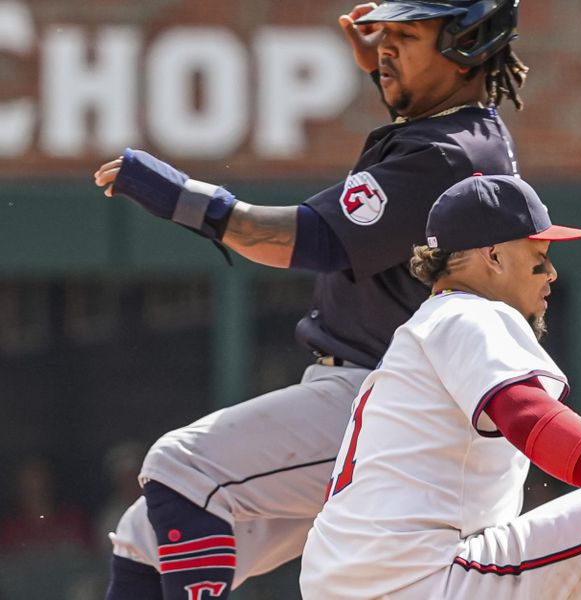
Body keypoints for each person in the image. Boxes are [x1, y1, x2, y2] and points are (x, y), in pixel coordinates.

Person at [92, 1, 529, 598]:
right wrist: (384, 69)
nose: (385, 47)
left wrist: (183, 199)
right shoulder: (456, 135)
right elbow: (428, 124)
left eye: (408, 35)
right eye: (386, 34)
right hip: (379, 402)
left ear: (468, 45)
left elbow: (308, 238)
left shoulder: (448, 155)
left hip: (398, 408)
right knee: (147, 534)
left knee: (181, 466)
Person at [300, 174, 581, 599]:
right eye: (539, 258)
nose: (551, 273)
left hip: (353, 577)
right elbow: (532, 419)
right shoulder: (469, 314)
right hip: (421, 579)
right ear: (492, 256)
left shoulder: (421, 333)